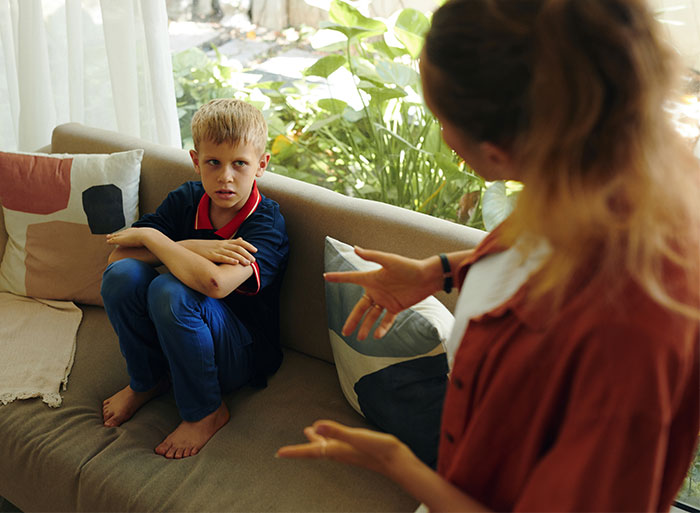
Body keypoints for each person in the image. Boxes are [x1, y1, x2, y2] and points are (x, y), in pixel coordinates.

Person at [276, 0, 700, 510]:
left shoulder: (629, 337)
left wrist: (399, 465)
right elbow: (538, 244)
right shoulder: (604, 155)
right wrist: (442, 271)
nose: (444, 141)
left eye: (441, 119)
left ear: (499, 151)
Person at [101, 98, 289, 459]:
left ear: (261, 165)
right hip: (176, 336)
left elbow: (216, 285)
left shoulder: (266, 223)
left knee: (170, 288)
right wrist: (193, 246)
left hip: (239, 352)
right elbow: (117, 257)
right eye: (213, 163)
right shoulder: (186, 199)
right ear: (195, 161)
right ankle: (148, 380)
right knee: (122, 276)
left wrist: (154, 240)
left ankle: (206, 410)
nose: (225, 177)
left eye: (240, 164)